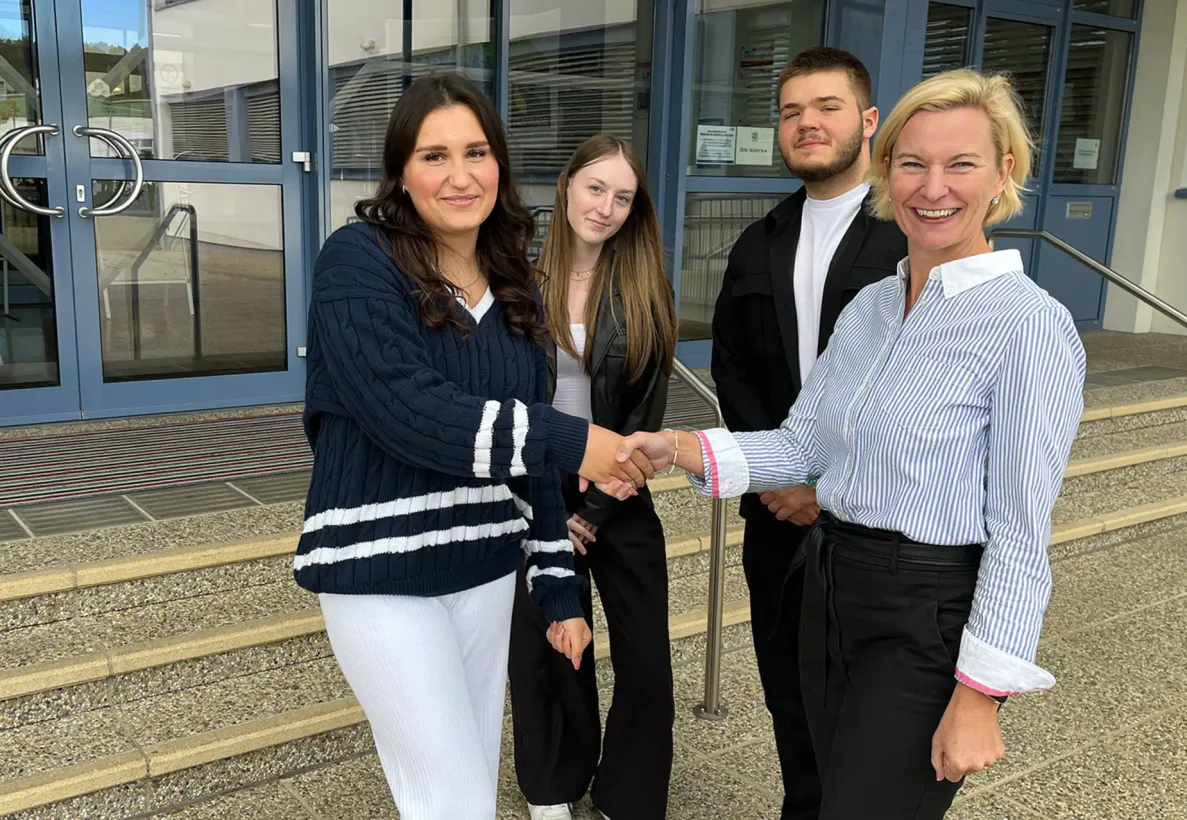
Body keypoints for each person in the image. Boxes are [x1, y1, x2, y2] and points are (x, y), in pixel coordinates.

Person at [608, 68, 1086, 819]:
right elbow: (803, 444)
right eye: (913, 163)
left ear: (1005, 174)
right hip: (829, 587)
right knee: (816, 790)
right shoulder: (870, 306)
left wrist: (981, 694)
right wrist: (675, 448)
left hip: (924, 611)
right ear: (886, 170)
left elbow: (1022, 532)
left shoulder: (1028, 324)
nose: (934, 187)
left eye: (961, 163)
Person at [293, 73, 655, 819]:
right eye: (434, 156)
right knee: (452, 803)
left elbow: (523, 455)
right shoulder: (357, 260)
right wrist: (575, 440)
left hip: (486, 566)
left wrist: (557, 586)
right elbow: (408, 411)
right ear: (401, 170)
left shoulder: (515, 279)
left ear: (501, 164)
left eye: (477, 152)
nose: (460, 176)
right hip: (378, 570)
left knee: (464, 790)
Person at [708, 46, 906, 820]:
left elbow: (916, 386)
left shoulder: (907, 236)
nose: (806, 124)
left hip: (875, 525)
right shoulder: (760, 240)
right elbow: (734, 369)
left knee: (870, 716)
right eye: (791, 112)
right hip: (779, 521)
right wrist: (779, 478)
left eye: (825, 107)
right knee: (789, 702)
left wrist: (830, 484)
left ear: (867, 121)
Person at [507, 134, 678, 820]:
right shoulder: (515, 283)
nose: (605, 207)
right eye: (595, 188)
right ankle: (553, 785)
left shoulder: (644, 292)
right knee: (547, 647)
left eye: (622, 196)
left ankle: (628, 796)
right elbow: (507, 404)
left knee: (645, 660)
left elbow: (644, 419)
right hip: (537, 485)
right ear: (567, 187)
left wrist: (595, 511)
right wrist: (550, 509)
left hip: (619, 492)